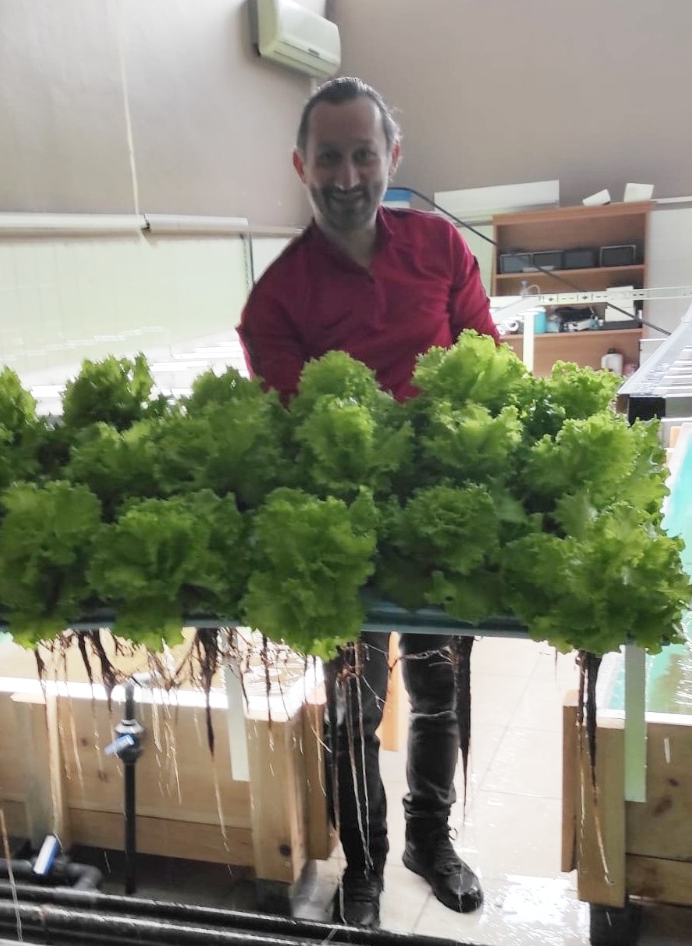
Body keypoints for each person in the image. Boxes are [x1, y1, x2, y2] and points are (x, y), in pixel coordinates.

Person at [236, 77, 500, 930]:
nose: (346, 176)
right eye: (329, 158)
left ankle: (430, 840)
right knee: (352, 711)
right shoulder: (276, 300)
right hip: (343, 536)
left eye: (362, 154)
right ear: (300, 166)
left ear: (393, 156)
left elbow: (488, 366)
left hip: (439, 522)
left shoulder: (440, 249)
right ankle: (366, 864)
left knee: (439, 692)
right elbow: (296, 435)